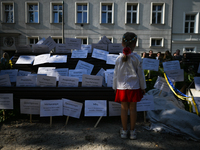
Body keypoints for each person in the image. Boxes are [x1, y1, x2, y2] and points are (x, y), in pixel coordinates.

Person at [113, 32, 146, 140]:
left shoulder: (118, 59)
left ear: (122, 43)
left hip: (122, 87)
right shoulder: (137, 58)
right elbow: (140, 74)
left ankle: (124, 131)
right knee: (133, 109)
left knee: (123, 109)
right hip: (134, 87)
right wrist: (143, 87)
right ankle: (132, 132)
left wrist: (114, 87)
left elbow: (115, 75)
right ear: (135, 44)